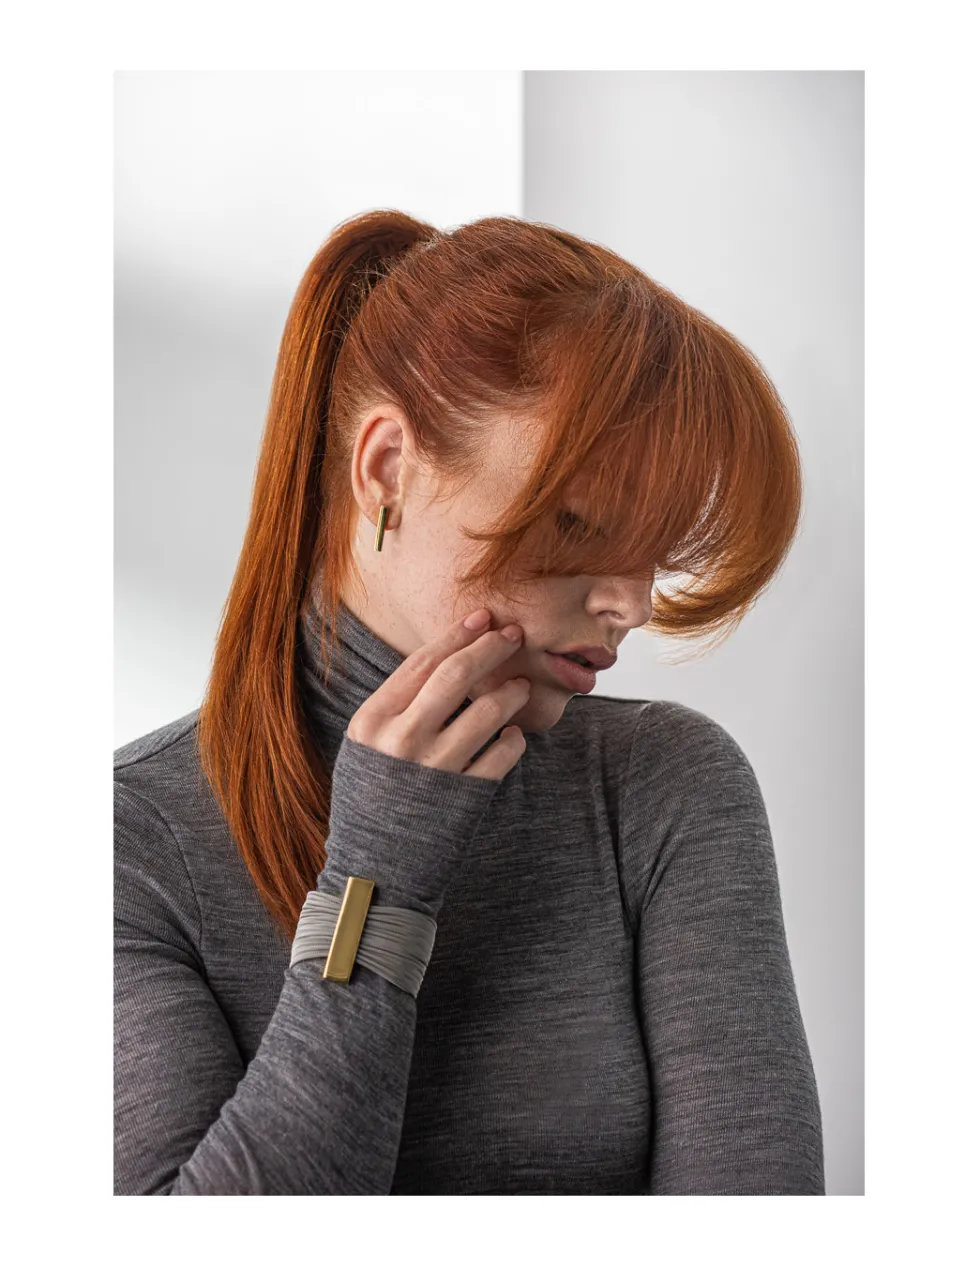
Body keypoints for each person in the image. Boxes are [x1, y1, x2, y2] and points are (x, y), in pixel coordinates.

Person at [114, 208, 825, 1195]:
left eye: (653, 548)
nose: (632, 604)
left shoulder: (663, 791)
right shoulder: (125, 841)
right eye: (577, 524)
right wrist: (378, 881)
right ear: (387, 470)